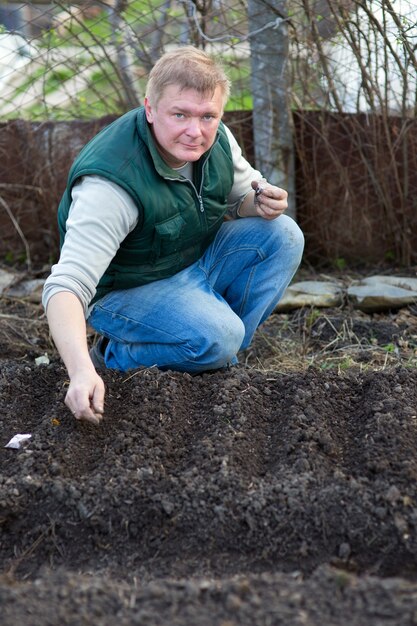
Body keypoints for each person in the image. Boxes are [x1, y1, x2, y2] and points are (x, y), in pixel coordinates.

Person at [43, 45, 304, 426]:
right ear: (150, 109)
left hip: (188, 260)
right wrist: (81, 370)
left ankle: (217, 354)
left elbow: (241, 196)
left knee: (283, 235)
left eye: (207, 116)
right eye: (180, 114)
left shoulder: (218, 141)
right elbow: (65, 285)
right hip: (126, 289)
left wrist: (259, 202)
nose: (195, 131)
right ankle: (115, 355)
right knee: (217, 335)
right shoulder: (112, 184)